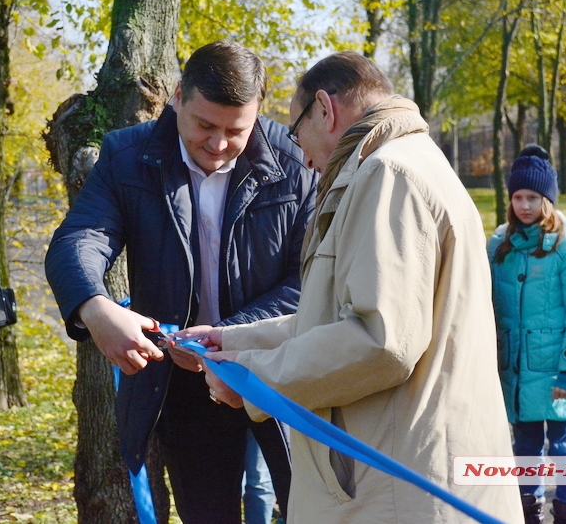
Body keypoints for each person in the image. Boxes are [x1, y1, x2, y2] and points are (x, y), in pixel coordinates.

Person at [177, 52, 522, 523]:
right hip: (399, 480)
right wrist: (232, 341)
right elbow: (341, 317)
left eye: (297, 133)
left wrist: (252, 379)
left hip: (395, 493)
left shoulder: (388, 174)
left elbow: (380, 341)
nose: (301, 155)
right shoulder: (405, 164)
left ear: (325, 108)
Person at [44, 40, 317, 523]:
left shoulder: (297, 163)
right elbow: (79, 239)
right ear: (176, 96)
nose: (218, 144)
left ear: (259, 113)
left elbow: (311, 278)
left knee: (312, 510)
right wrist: (94, 306)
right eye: (204, 125)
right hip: (187, 383)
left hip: (280, 366)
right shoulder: (127, 156)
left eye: (236, 130)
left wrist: (231, 336)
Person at [487, 148, 566, 524]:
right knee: (525, 446)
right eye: (517, 197)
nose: (524, 205)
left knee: (564, 445)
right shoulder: (499, 246)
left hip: (555, 370)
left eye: (532, 197)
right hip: (516, 371)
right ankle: (525, 509)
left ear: (547, 200)